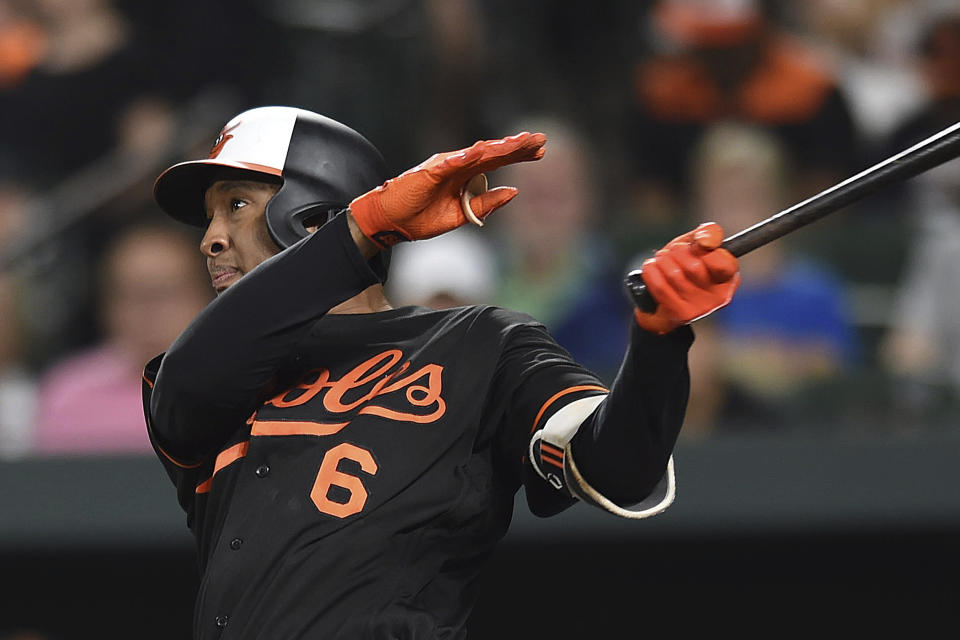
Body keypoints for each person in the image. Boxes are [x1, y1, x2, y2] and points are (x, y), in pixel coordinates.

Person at [142, 106, 740, 638]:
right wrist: (364, 227)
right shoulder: (206, 373)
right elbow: (192, 380)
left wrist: (659, 343)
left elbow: (615, 467)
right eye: (209, 218)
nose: (209, 240)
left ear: (312, 216)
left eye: (236, 206)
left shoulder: (481, 343)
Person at [32, 222, 211, 456]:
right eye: (130, 295)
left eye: (165, 293)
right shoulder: (67, 392)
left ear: (208, 297)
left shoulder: (236, 385)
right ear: (105, 307)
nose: (149, 313)